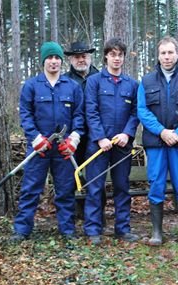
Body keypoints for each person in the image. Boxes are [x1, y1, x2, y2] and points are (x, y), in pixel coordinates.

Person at [10, 41, 85, 241]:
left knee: (65, 190)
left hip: (63, 149)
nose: (54, 62)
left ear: (62, 61)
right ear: (43, 61)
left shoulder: (73, 87)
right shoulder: (31, 86)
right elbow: (26, 115)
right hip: (39, 148)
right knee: (30, 189)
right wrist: (35, 138)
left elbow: (79, 116)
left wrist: (73, 140)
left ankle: (67, 230)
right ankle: (22, 230)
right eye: (50, 58)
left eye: (57, 58)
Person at [137, 36, 178, 247]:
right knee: (156, 183)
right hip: (156, 142)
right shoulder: (146, 81)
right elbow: (142, 111)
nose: (167, 57)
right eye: (163, 53)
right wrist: (162, 132)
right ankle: (157, 232)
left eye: (170, 52)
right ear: (158, 55)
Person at [83, 38, 139, 244]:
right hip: (98, 145)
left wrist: (127, 134)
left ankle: (122, 229)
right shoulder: (94, 81)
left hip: (122, 145)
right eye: (113, 54)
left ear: (124, 58)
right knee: (95, 187)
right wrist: (100, 137)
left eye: (120, 55)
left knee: (122, 186)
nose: (116, 58)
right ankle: (92, 230)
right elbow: (91, 110)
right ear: (106, 56)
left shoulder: (132, 84)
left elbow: (135, 112)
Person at [63, 41, 101, 220]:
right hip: (73, 137)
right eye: (76, 57)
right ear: (70, 59)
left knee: (96, 178)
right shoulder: (65, 81)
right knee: (71, 176)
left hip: (97, 137)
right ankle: (74, 215)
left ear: (90, 57)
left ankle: (98, 216)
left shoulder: (101, 78)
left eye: (84, 56)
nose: (81, 60)